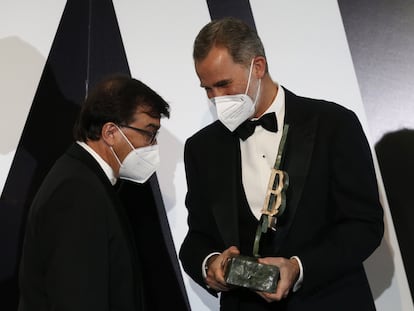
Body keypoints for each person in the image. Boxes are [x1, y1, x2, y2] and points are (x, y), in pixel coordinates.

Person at [179, 17, 384, 310]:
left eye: (224, 85)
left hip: (329, 302)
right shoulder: (201, 148)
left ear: (257, 67)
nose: (216, 98)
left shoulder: (334, 124)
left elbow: (364, 225)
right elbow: (196, 237)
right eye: (207, 89)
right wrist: (210, 263)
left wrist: (299, 268)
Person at [18, 74, 170, 311]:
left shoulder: (85, 180)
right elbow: (78, 298)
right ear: (110, 133)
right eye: (149, 133)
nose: (152, 145)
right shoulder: (77, 191)